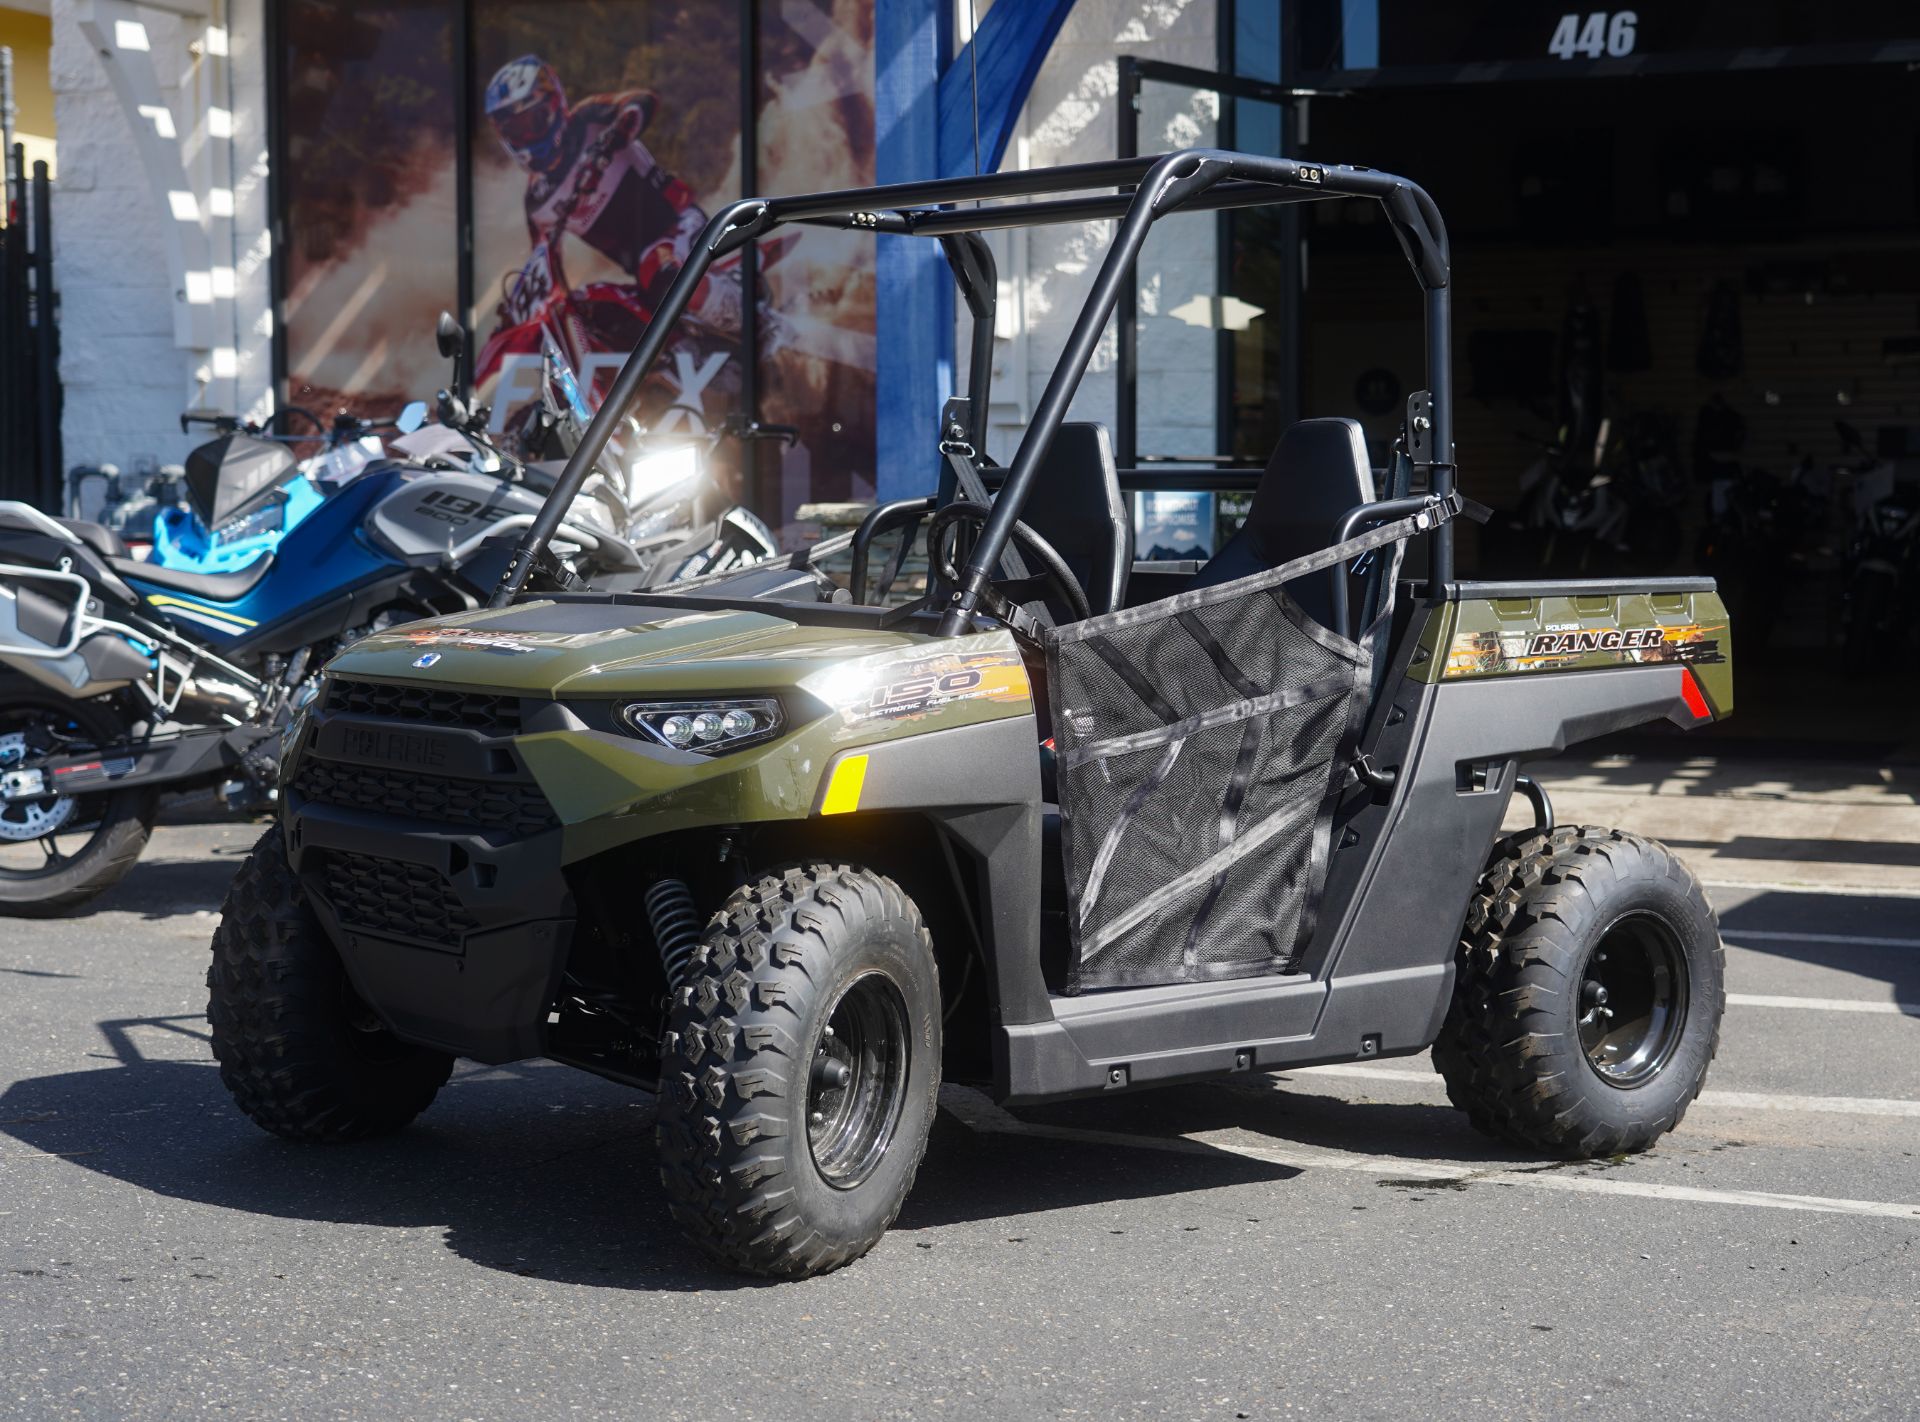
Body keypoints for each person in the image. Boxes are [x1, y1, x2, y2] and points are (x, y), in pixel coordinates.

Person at [483, 54, 738, 336]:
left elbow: (642, 101)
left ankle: (765, 326)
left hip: (680, 224)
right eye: (516, 131)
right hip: (644, 273)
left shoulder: (588, 118)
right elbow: (542, 266)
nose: (527, 136)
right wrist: (513, 320)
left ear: (554, 106)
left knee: (666, 278)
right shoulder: (536, 202)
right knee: (606, 318)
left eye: (532, 122)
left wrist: (617, 132)